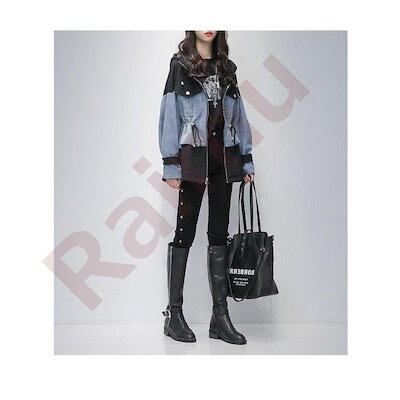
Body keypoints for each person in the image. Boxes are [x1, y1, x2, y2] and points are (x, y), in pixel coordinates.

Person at [158, 31, 255, 345]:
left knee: (218, 234)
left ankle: (220, 316)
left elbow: (239, 116)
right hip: (192, 163)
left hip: (224, 161)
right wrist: (171, 163)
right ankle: (174, 314)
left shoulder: (227, 68)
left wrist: (246, 160)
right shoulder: (180, 65)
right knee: (184, 234)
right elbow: (169, 113)